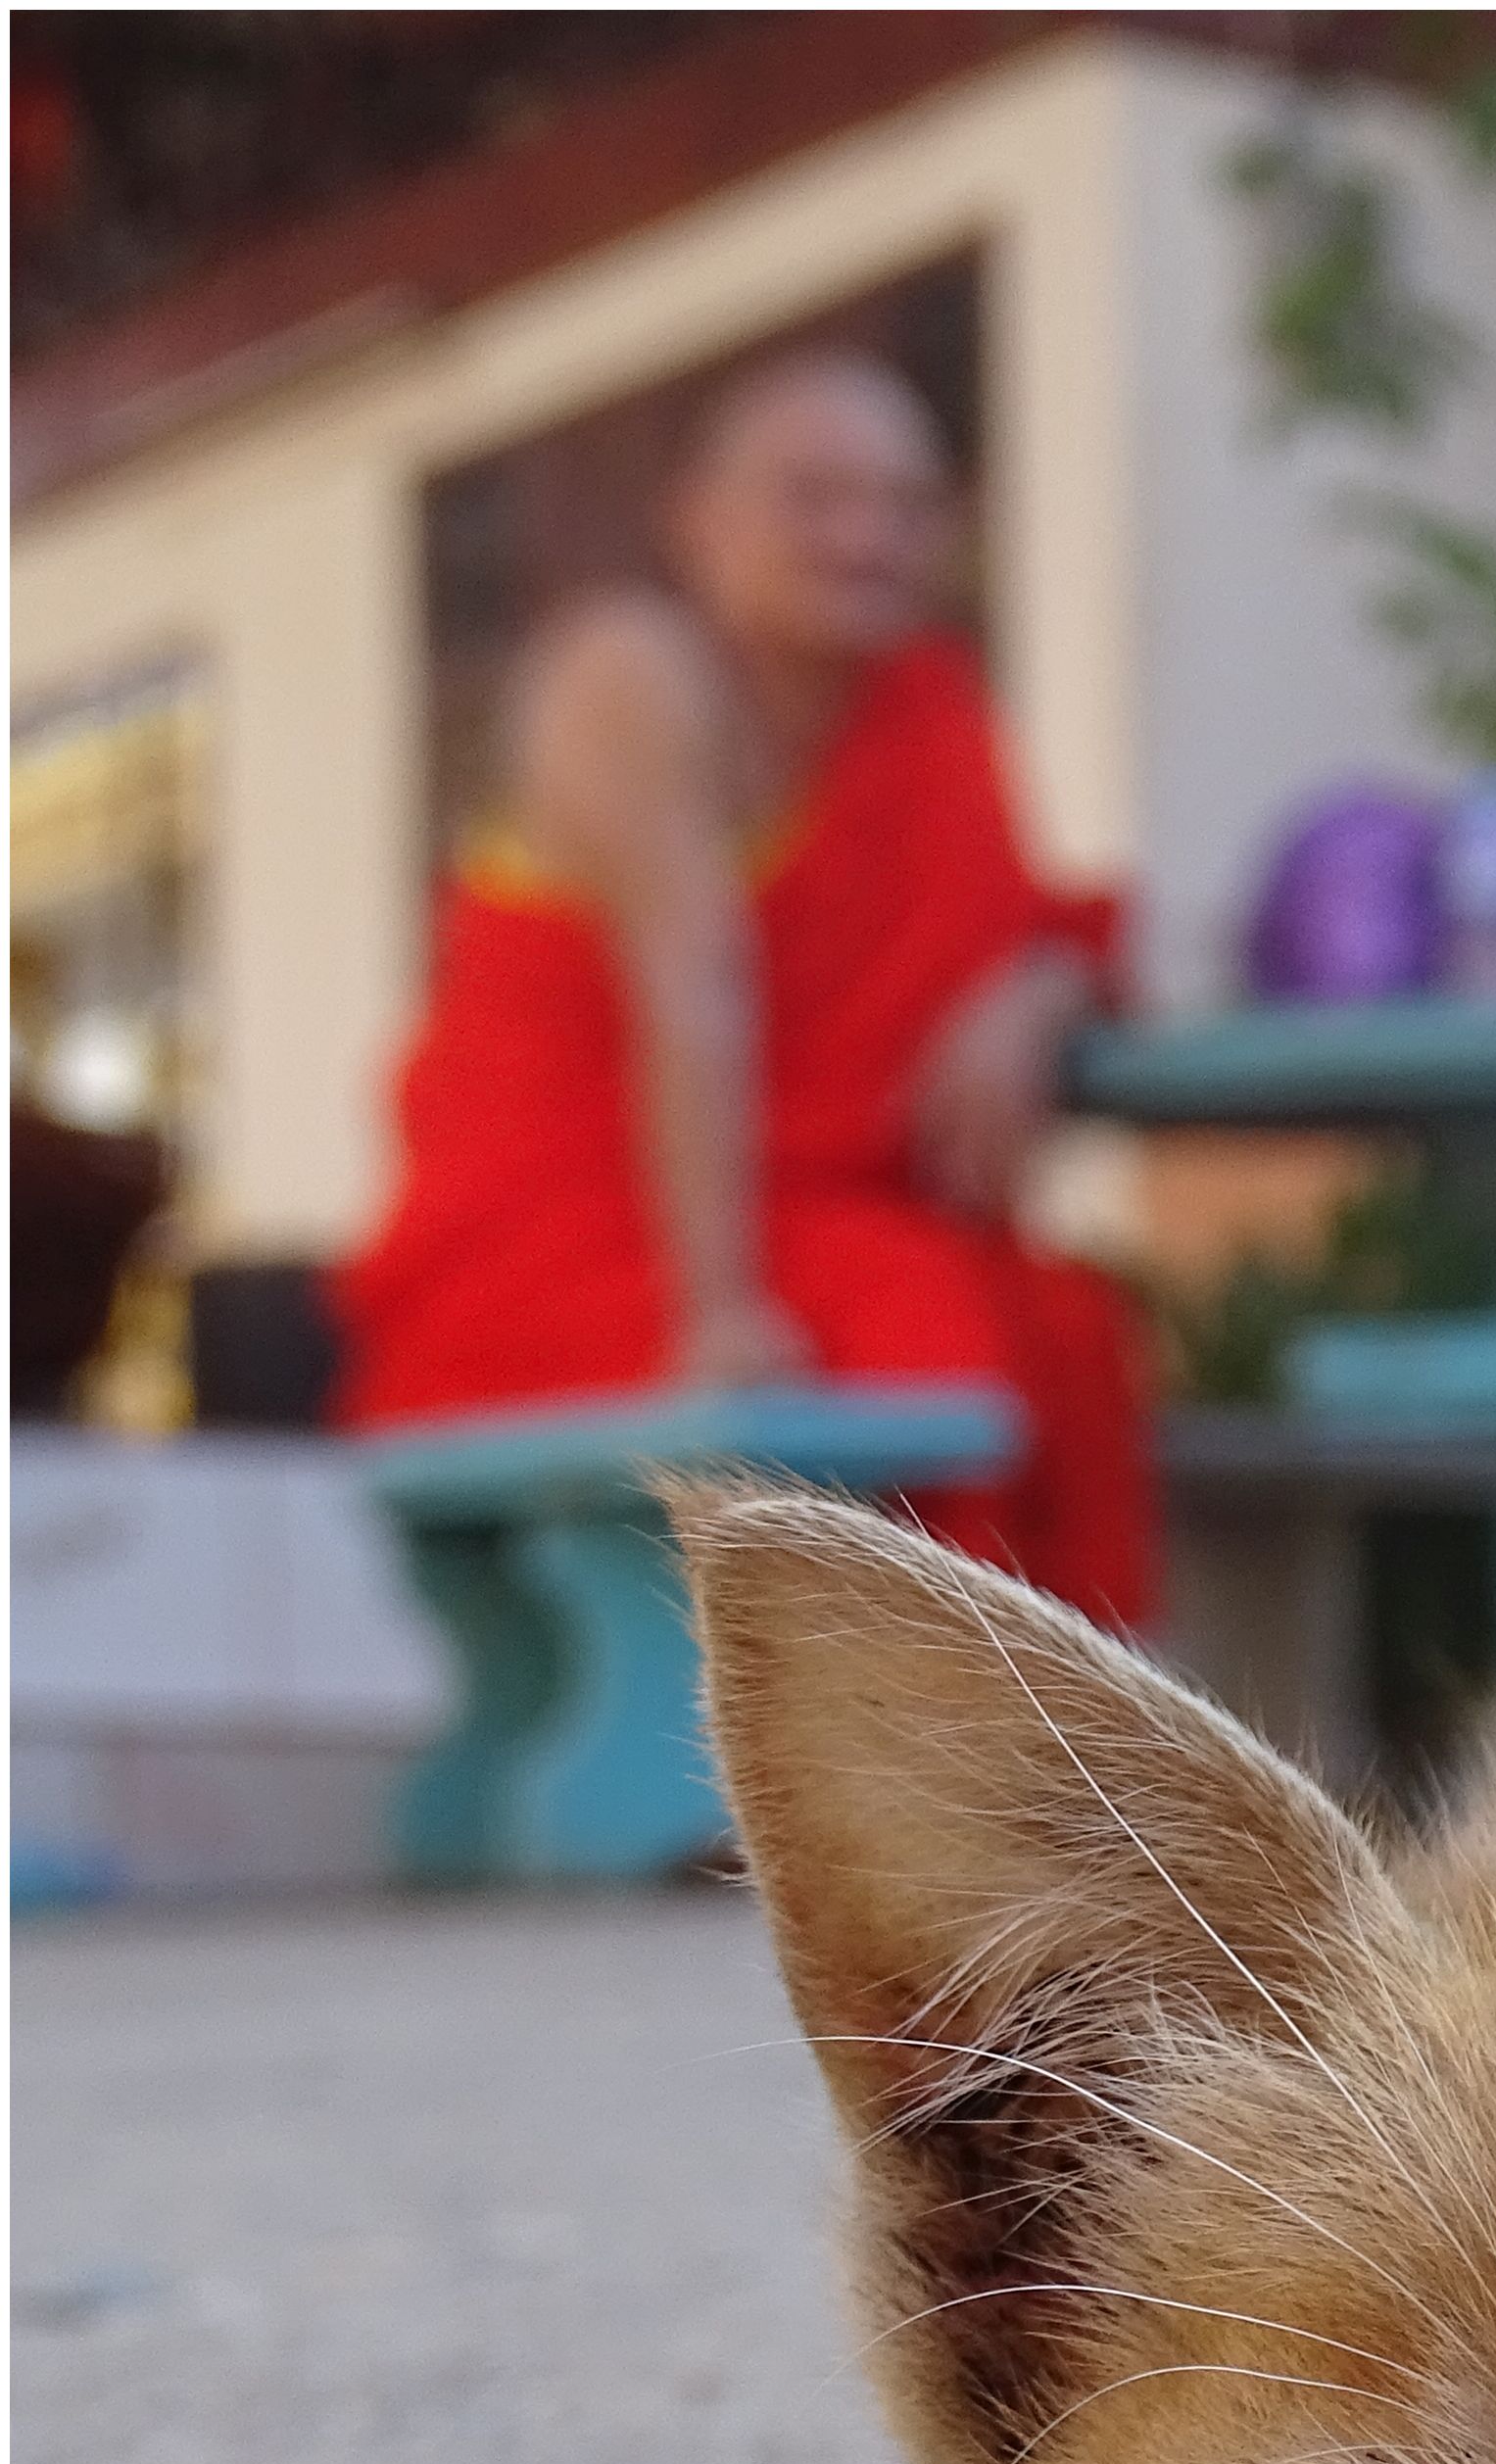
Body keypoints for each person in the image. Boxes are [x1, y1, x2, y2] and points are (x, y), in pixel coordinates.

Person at [334, 349, 1156, 1625]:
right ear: (698, 521)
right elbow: (691, 986)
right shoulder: (631, 675)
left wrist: (1035, 992)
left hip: (824, 1218)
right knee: (917, 1322)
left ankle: (1062, 1727)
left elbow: (1043, 928)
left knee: (1065, 1319)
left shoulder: (925, 715)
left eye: (904, 504)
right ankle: (930, 1724)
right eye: (814, 498)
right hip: (580, 1240)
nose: (865, 538)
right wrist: (718, 1315)